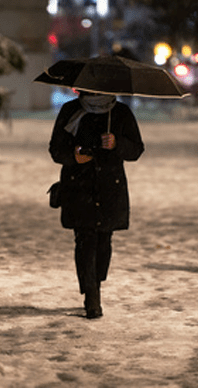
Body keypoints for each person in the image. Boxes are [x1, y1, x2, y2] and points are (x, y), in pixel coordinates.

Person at [49, 90, 144, 318]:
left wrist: (117, 143)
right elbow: (56, 149)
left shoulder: (120, 113)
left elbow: (136, 149)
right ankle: (92, 295)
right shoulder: (71, 111)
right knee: (85, 240)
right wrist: (74, 155)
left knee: (103, 242)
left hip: (109, 187)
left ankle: (96, 282)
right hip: (78, 187)